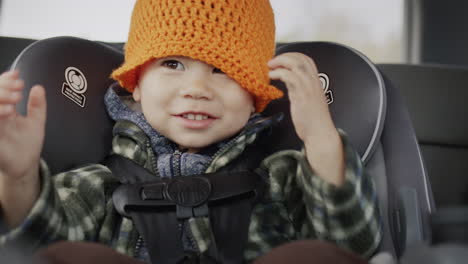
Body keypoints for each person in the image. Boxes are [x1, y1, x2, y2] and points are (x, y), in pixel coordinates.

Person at [0, 0, 382, 263]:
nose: (197, 88)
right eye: (172, 63)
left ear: (254, 95)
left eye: (224, 70)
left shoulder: (282, 177)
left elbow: (351, 244)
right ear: (135, 83)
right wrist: (17, 178)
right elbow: (39, 242)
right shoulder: (98, 183)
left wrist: (320, 140)